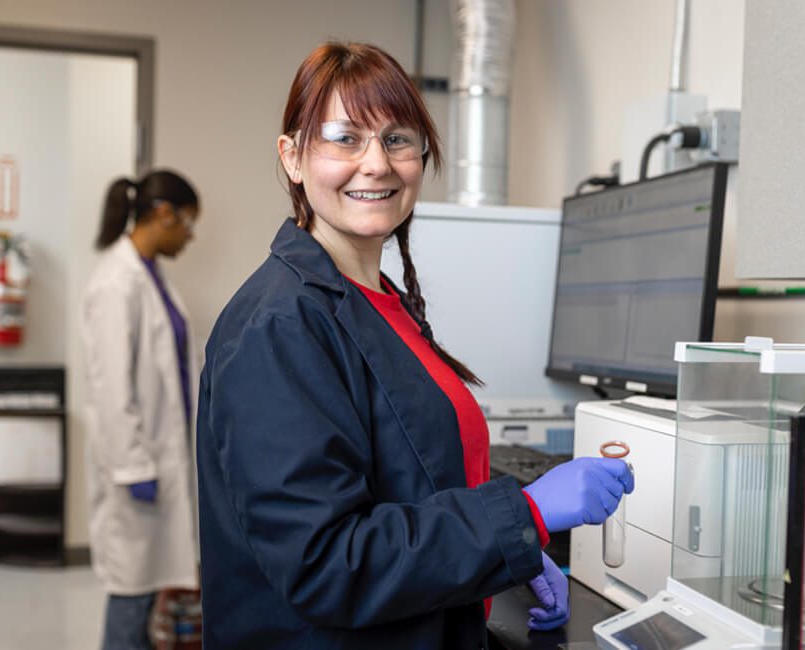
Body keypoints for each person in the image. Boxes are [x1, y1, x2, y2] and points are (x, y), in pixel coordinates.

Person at [195, 42, 633, 649]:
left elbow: (415, 485)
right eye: (344, 138)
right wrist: (524, 516)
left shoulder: (377, 302)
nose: (376, 163)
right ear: (292, 157)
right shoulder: (279, 326)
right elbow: (326, 563)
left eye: (398, 139)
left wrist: (508, 558)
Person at [81, 170, 201, 650]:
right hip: (134, 472)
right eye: (188, 221)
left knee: (151, 594)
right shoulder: (117, 282)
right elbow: (110, 387)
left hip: (160, 461)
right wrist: (133, 467)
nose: (191, 234)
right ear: (163, 214)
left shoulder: (151, 275)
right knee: (130, 597)